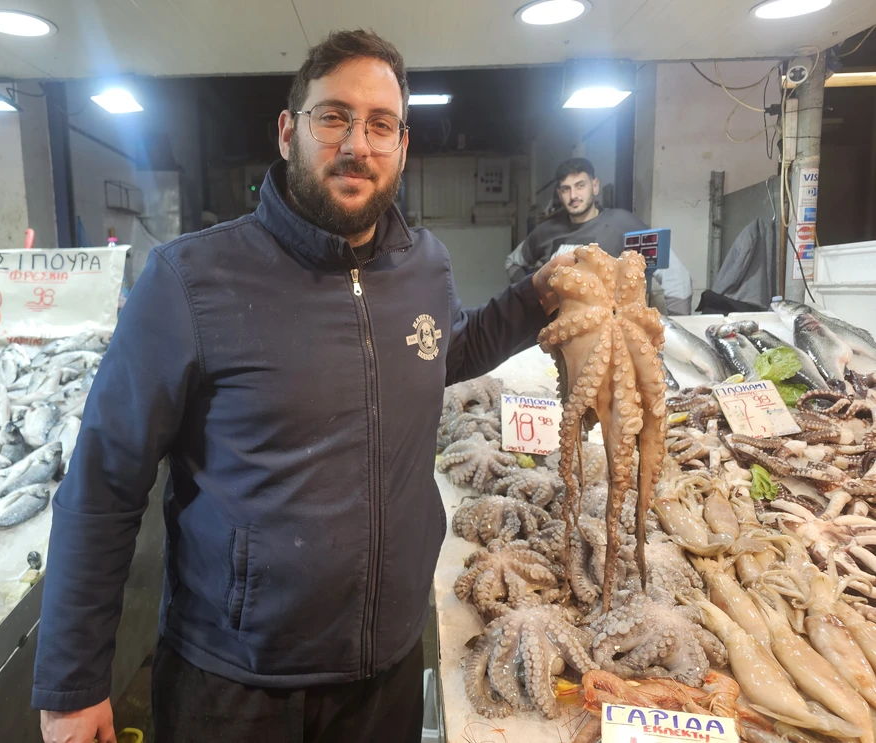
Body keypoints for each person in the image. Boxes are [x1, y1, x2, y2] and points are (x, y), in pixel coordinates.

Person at [33, 29, 576, 743]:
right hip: (233, 687)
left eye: (380, 125)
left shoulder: (425, 265)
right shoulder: (189, 280)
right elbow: (104, 482)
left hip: (384, 673)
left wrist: (537, 298)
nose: (357, 144)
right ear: (290, 132)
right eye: (334, 117)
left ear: (402, 146)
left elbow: (440, 352)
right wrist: (73, 683)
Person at [505, 157, 694, 315]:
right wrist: (532, 295)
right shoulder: (545, 231)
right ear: (559, 193)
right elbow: (512, 262)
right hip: (556, 334)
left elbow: (675, 274)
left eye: (580, 185)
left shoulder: (623, 224)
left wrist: (678, 329)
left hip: (609, 336)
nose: (573, 195)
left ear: (595, 186)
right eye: (566, 189)